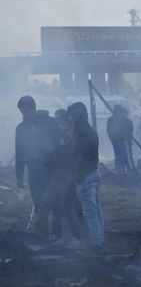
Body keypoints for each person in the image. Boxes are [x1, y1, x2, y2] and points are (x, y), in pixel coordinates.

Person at [15, 96, 60, 236]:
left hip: (51, 170)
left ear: (34, 108)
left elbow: (58, 146)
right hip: (34, 171)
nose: (24, 114)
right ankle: (43, 232)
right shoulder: (21, 128)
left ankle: (57, 232)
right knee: (38, 201)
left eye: (26, 111)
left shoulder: (49, 123)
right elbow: (19, 152)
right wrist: (19, 176)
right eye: (22, 111)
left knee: (54, 201)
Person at [40, 109, 83, 245]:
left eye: (59, 120)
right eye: (55, 120)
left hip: (68, 177)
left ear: (66, 120)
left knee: (67, 208)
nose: (57, 123)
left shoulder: (74, 136)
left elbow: (76, 158)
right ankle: (53, 235)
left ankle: (77, 238)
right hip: (56, 175)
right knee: (47, 203)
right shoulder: (57, 135)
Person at [68, 102, 104, 252]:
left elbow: (83, 157)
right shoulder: (87, 131)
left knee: (90, 212)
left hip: (86, 177)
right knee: (95, 211)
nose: (69, 119)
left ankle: (97, 244)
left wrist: (78, 176)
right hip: (91, 175)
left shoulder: (82, 133)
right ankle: (99, 241)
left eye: (70, 115)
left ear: (76, 116)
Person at [106, 104, 134, 173]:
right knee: (124, 158)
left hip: (122, 142)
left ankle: (122, 173)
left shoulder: (126, 121)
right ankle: (128, 173)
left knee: (121, 157)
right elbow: (109, 131)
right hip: (120, 142)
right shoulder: (126, 121)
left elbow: (130, 132)